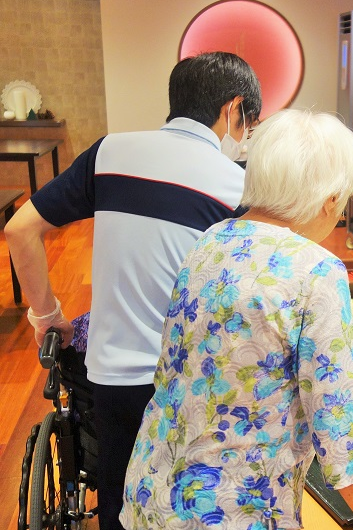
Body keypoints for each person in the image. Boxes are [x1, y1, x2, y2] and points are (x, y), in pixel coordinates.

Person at [119, 110, 353, 530]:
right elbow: (343, 428)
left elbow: (171, 367)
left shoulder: (210, 239)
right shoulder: (316, 270)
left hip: (152, 489)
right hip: (230, 511)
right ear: (330, 198)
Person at [6, 51, 262, 530]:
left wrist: (47, 316)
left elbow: (20, 230)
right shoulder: (238, 186)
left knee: (119, 506)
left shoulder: (109, 152)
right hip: (191, 384)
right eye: (250, 123)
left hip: (111, 378)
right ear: (233, 110)